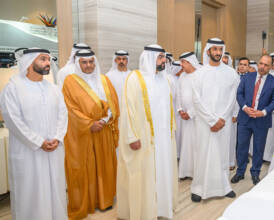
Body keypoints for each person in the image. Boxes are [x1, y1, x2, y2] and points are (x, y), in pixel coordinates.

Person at [0, 48, 68, 220]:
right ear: (29, 63)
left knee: (55, 190)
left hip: (54, 150)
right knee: (31, 193)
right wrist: (39, 142)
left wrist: (58, 138)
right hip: (29, 152)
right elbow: (13, 121)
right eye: (43, 59)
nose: (47, 63)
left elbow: (63, 115)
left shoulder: (53, 89)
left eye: (48, 59)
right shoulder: (13, 88)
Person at [117, 45, 178, 219]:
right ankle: (145, 212)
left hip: (164, 139)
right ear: (150, 58)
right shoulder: (135, 79)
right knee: (144, 176)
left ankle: (161, 209)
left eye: (164, 57)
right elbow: (128, 109)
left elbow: (168, 108)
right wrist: (132, 136)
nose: (163, 61)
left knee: (163, 172)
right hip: (144, 139)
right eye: (159, 57)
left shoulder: (165, 79)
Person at [62, 49, 119, 219]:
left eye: (91, 62)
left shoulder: (104, 79)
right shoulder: (70, 82)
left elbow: (113, 103)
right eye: (84, 62)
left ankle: (105, 200)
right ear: (78, 63)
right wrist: (89, 124)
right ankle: (87, 203)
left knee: (104, 166)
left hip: (104, 130)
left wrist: (104, 120)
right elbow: (69, 109)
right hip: (83, 134)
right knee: (86, 168)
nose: (89, 66)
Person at [190, 38, 239, 202]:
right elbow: (196, 100)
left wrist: (221, 119)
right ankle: (198, 188)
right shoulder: (199, 73)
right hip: (204, 123)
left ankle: (224, 187)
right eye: (215, 49)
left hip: (223, 123)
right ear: (208, 51)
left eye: (220, 49)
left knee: (221, 154)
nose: (218, 53)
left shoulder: (231, 73)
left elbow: (232, 99)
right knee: (202, 153)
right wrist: (212, 120)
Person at [231, 55, 274, 185]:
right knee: (241, 147)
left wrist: (263, 112)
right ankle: (240, 172)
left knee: (258, 148)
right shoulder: (247, 77)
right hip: (245, 118)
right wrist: (245, 107)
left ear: (270, 67)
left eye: (266, 65)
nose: (262, 67)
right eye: (261, 63)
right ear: (258, 64)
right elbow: (239, 94)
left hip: (261, 121)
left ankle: (255, 173)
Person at [177, 52, 201, 179]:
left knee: (196, 145)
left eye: (183, 62)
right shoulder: (182, 77)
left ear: (190, 62)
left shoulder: (200, 76)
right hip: (185, 117)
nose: (181, 65)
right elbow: (178, 94)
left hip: (197, 118)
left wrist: (191, 113)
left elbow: (202, 98)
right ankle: (185, 172)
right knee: (186, 144)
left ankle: (196, 173)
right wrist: (180, 109)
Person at [167, 60, 183, 159]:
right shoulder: (169, 79)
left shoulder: (182, 78)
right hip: (172, 110)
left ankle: (179, 153)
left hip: (180, 112)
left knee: (180, 133)